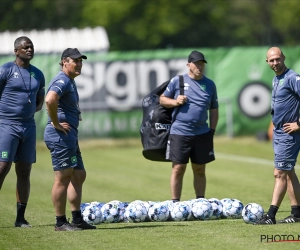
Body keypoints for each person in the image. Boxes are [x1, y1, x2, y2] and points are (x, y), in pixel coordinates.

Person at [44, 48, 96, 231]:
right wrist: (56, 123)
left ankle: (76, 219)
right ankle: (60, 222)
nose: (79, 64)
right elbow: (50, 100)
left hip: (70, 136)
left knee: (79, 175)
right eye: (76, 61)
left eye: (81, 61)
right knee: (63, 178)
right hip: (60, 136)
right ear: (65, 61)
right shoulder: (62, 80)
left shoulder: (70, 80)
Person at [159, 50, 219, 202]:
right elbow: (162, 100)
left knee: (200, 169)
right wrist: (175, 102)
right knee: (178, 169)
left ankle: (200, 202)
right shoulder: (177, 81)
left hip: (202, 133)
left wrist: (212, 130)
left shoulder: (210, 84)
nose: (200, 66)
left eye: (202, 63)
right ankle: (175, 203)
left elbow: (214, 110)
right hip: (180, 133)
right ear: (189, 65)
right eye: (197, 63)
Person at [0, 36, 45, 227]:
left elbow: (40, 99)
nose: (29, 49)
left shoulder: (38, 74)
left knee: (24, 170)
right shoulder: (6, 70)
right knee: (2, 167)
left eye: (31, 46)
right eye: (25, 47)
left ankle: (20, 218)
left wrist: (29, 111)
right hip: (6, 125)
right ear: (16, 51)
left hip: (28, 126)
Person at [255, 47, 300, 225]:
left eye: (278, 59)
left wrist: (298, 123)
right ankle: (296, 213)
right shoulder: (276, 79)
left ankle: (270, 216)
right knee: (288, 172)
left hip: (290, 133)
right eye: (271, 60)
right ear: (267, 62)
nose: (275, 63)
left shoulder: (292, 78)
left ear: (284, 58)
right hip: (280, 133)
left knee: (279, 172)